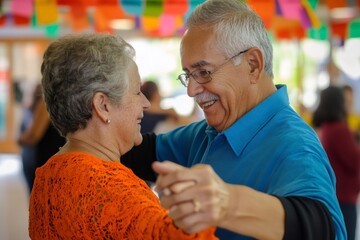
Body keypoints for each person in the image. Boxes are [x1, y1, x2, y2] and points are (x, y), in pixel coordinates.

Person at [122, 0, 347, 239]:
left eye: (204, 72)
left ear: (252, 65)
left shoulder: (295, 145)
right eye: (188, 75)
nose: (191, 90)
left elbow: (325, 228)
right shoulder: (206, 133)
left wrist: (226, 203)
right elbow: (134, 152)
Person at [28, 33, 217, 240]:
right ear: (103, 105)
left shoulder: (47, 176)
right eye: (137, 91)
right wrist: (201, 205)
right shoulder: (111, 188)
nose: (145, 103)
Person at [312, 85, 360, 240]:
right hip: (343, 198)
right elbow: (355, 162)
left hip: (334, 195)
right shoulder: (339, 129)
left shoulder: (325, 128)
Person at [17, 83, 65, 193]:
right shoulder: (63, 104)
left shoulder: (46, 104)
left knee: (39, 195)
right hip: (47, 156)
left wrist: (20, 140)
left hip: (42, 158)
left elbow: (34, 135)